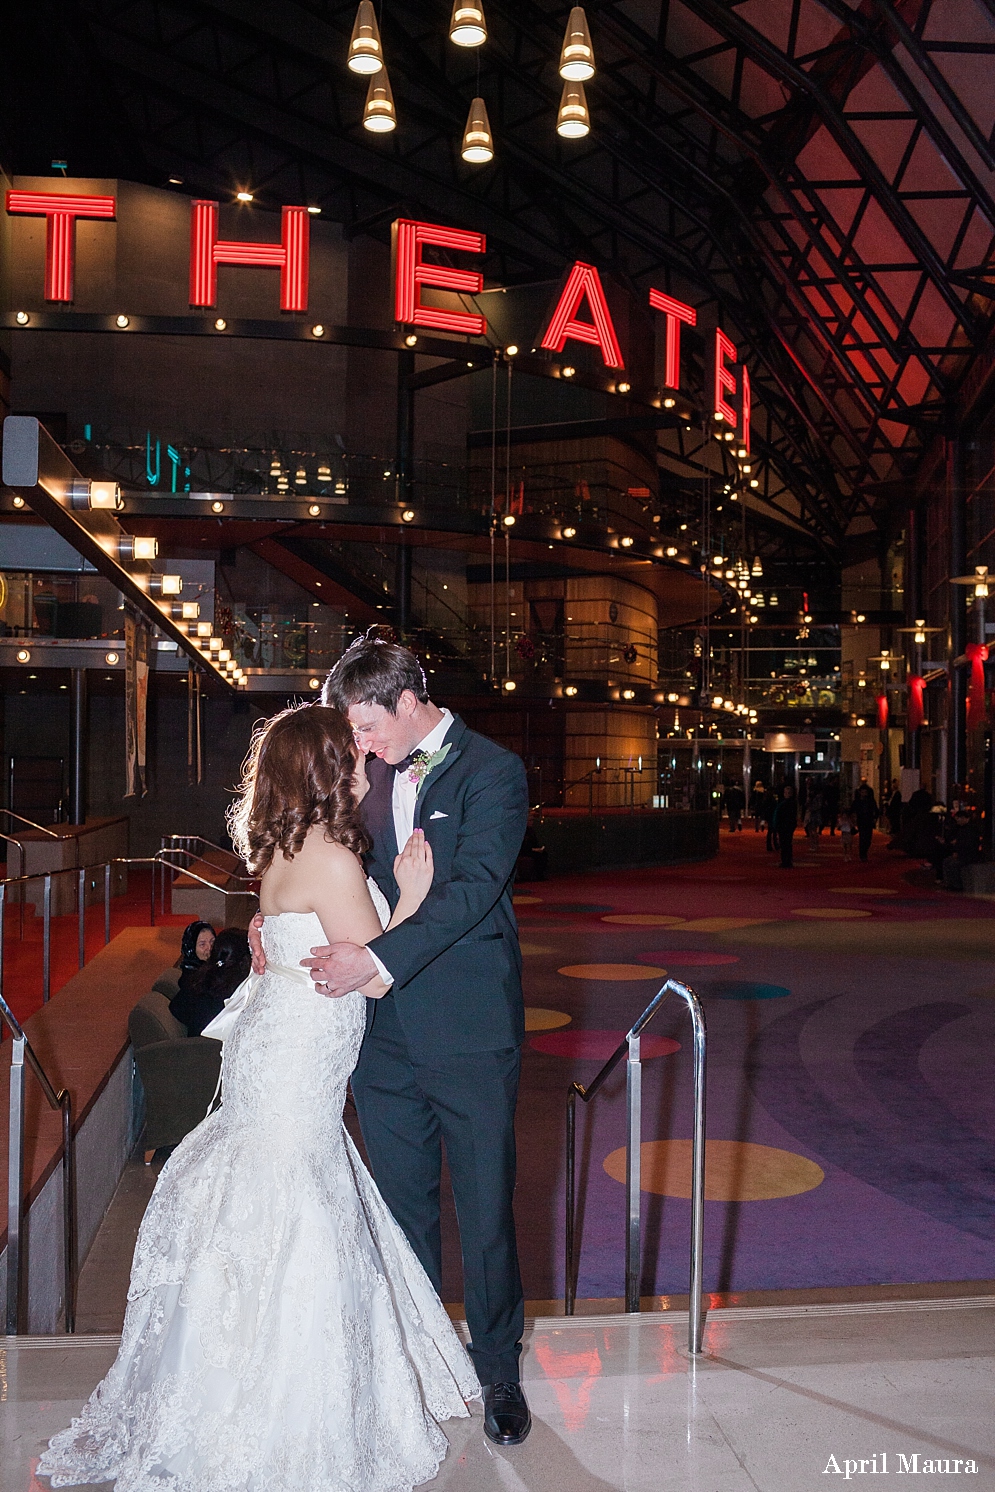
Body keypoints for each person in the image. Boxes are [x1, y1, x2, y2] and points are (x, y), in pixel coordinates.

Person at [38, 704, 477, 1492]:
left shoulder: (279, 851)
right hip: (301, 1047)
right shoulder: (336, 860)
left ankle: (226, 1368)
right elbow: (372, 970)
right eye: (348, 756)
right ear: (320, 770)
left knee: (269, 1182)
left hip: (279, 1043)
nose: (361, 766)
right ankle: (273, 1394)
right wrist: (412, 895)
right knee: (293, 1194)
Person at [267, 625, 532, 1448]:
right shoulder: (363, 775)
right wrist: (266, 918)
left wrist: (378, 958)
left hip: (467, 1027)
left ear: (409, 701)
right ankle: (418, 1362)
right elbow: (306, 844)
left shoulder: (494, 772)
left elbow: (473, 891)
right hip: (378, 1037)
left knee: (484, 1209)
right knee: (400, 1210)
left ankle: (495, 1372)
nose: (361, 744)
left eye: (368, 726)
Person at [169, 926, 250, 1036]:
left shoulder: (206, 975)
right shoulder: (237, 988)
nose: (208, 948)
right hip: (207, 1049)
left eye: (212, 942)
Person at [772, 784, 797, 867]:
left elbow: (781, 815)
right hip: (788, 826)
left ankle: (785, 861)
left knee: (784, 844)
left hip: (784, 826)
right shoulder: (792, 803)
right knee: (787, 844)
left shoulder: (785, 804)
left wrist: (778, 826)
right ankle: (788, 861)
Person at [854, 782, 879, 861]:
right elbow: (852, 810)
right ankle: (862, 854)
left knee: (868, 839)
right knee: (862, 837)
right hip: (861, 821)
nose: (864, 794)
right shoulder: (857, 801)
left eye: (865, 792)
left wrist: (875, 818)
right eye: (862, 792)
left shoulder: (871, 801)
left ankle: (864, 851)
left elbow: (876, 810)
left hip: (869, 821)